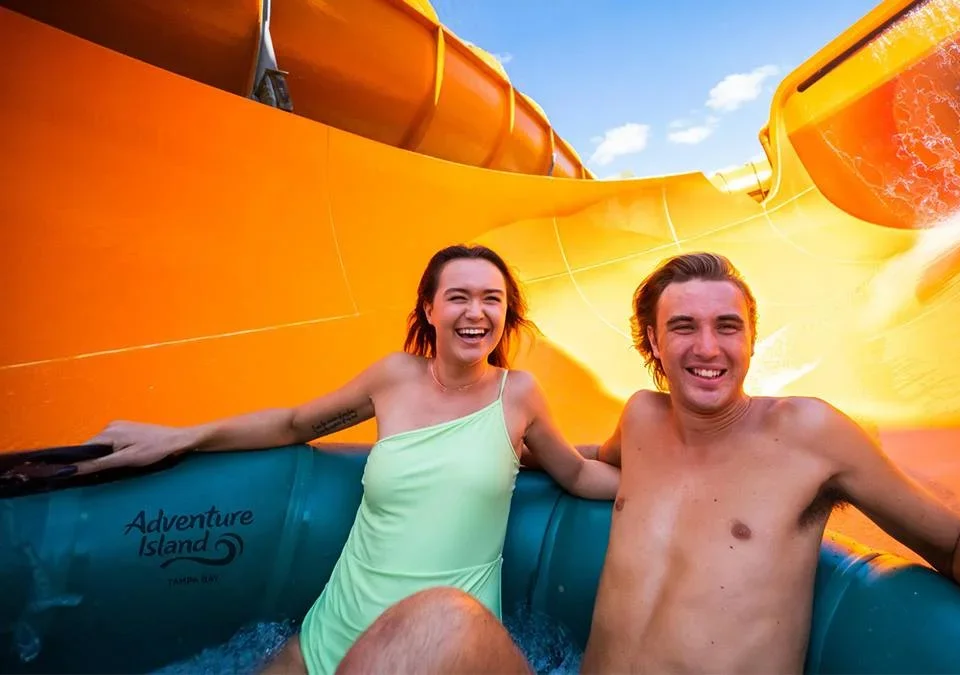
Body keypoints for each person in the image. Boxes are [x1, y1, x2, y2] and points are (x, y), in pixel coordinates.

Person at [319, 251, 960, 675]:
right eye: (683, 328)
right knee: (434, 620)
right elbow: (589, 463)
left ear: (749, 337)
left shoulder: (810, 434)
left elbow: (957, 541)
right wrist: (474, 449)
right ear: (653, 347)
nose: (708, 347)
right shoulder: (642, 418)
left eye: (726, 325)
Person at [64, 244, 620, 675]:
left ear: (506, 314)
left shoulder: (517, 395)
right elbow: (294, 423)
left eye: (491, 299)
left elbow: (574, 471)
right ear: (429, 309)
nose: (475, 312)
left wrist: (674, 485)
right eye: (458, 296)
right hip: (335, 622)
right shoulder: (393, 377)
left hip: (441, 641)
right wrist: (181, 437)